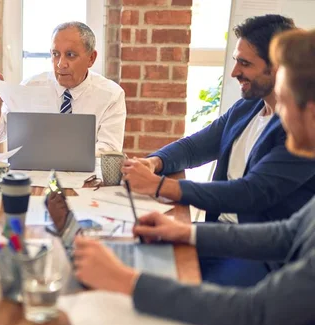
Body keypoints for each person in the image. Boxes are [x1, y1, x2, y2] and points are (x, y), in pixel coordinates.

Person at [71, 29, 315, 325]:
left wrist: (126, 282)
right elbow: (285, 235)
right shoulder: (248, 109)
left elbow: (256, 312)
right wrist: (185, 232)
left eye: (285, 99)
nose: (279, 110)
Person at [122, 15, 315, 286]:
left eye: (245, 63)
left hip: (262, 254)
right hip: (222, 233)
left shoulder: (298, 131)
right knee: (140, 251)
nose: (235, 71)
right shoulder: (247, 107)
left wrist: (160, 186)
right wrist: (154, 162)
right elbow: (195, 146)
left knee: (183, 288)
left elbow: (250, 192)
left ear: (277, 69)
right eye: (236, 60)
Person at [0, 21, 126, 152]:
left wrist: (62, 155)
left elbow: (109, 149)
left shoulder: (111, 95)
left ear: (91, 58)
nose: (61, 64)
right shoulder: (30, 86)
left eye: (70, 55)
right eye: (56, 54)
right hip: (34, 175)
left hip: (86, 178)